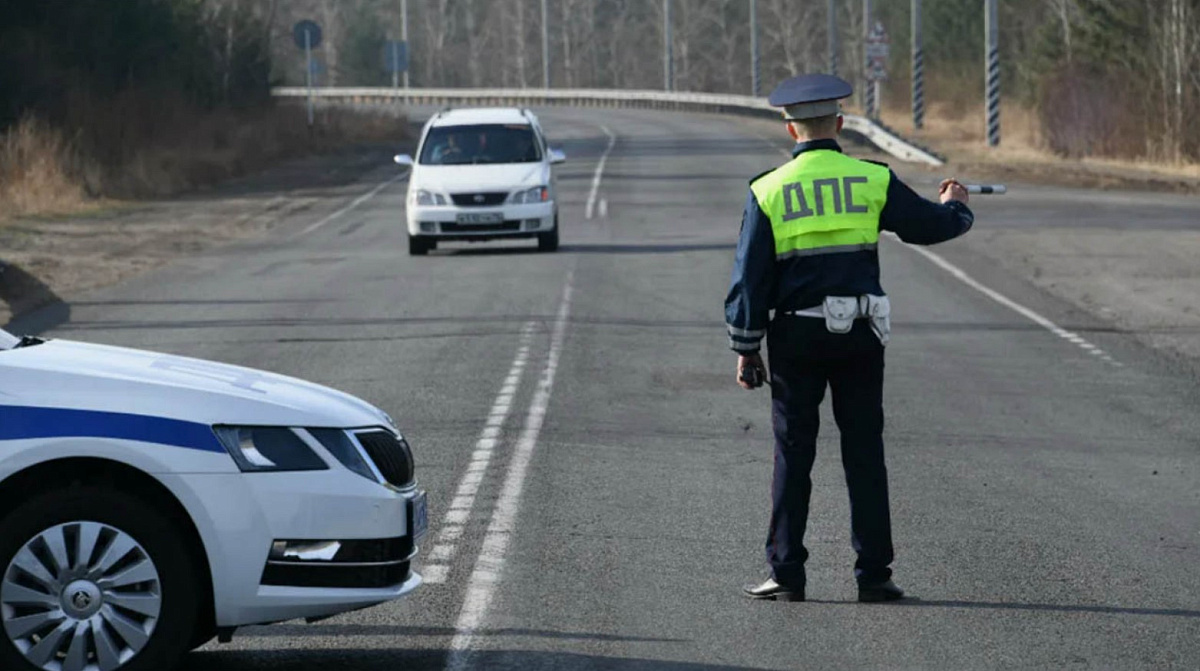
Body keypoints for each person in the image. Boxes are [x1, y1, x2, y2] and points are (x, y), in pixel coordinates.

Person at [725, 73, 974, 603]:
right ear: (838, 124)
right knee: (864, 452)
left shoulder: (767, 190)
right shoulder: (872, 179)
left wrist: (747, 348)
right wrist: (957, 204)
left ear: (791, 129)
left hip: (795, 336)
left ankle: (786, 574)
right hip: (861, 334)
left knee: (794, 454)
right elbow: (930, 226)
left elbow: (750, 277)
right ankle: (874, 575)